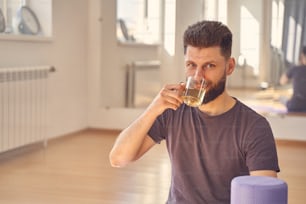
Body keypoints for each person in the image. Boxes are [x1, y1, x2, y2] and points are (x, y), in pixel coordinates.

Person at [109, 20, 280, 204]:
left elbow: (265, 197)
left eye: (209, 66)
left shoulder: (254, 127)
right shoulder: (172, 111)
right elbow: (118, 158)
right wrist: (153, 109)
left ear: (229, 67)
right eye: (191, 65)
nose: (198, 77)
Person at [279, 46, 306, 112]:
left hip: (294, 106)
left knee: (281, 98)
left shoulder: (295, 68)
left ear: (302, 56)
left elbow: (282, 81)